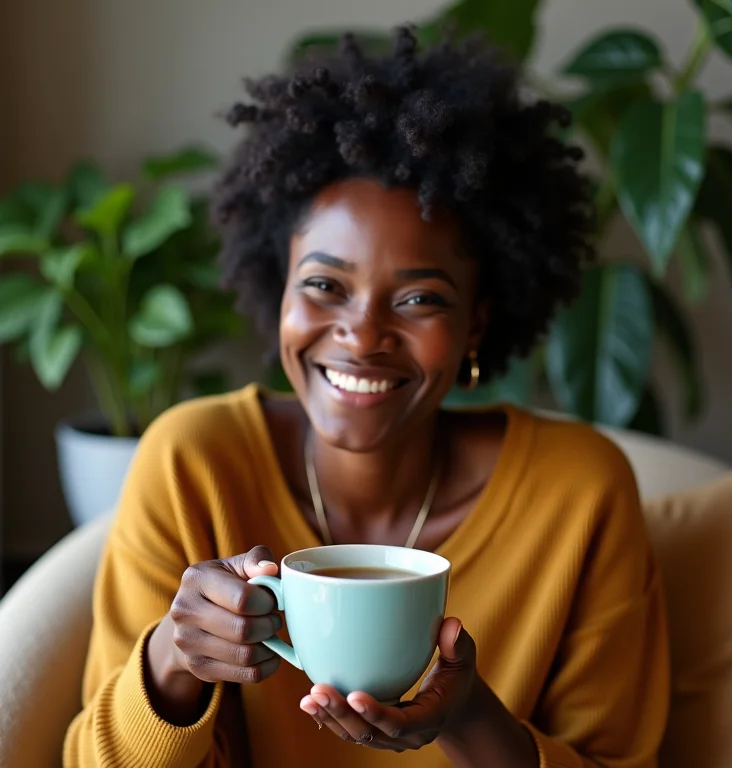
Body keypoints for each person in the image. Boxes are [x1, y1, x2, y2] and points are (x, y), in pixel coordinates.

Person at [64, 27, 669, 767]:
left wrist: (470, 717)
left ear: (477, 321)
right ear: (278, 288)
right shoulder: (193, 462)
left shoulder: (580, 493)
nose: (362, 335)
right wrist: (171, 662)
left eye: (419, 299)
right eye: (324, 285)